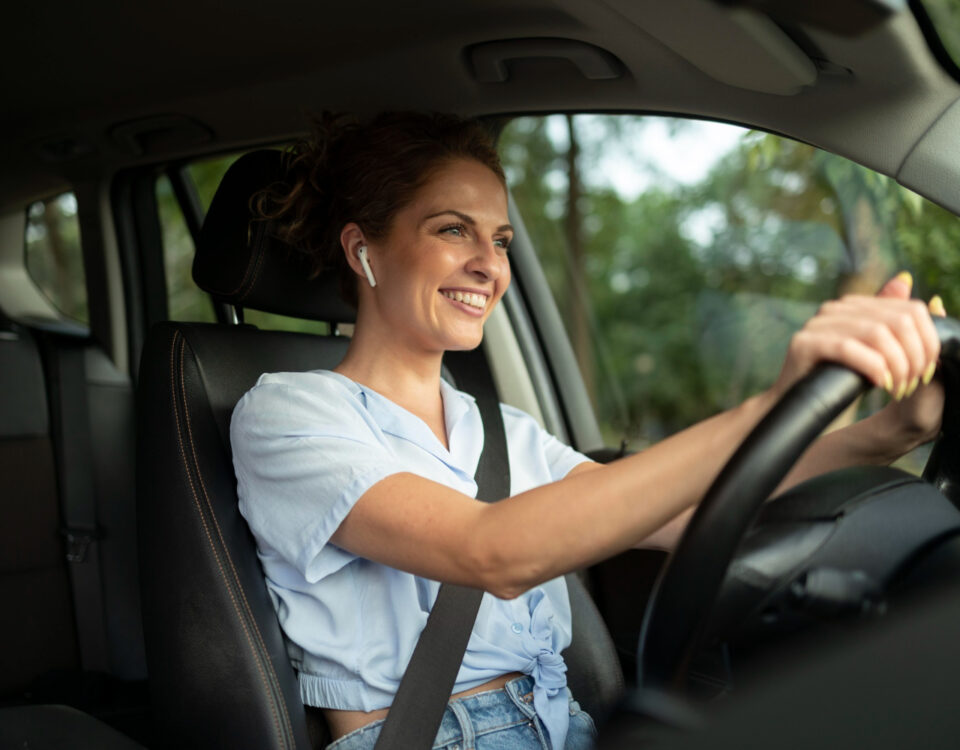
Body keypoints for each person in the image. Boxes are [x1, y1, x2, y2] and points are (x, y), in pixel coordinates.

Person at [230, 112, 945, 750]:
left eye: (501, 238)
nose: (490, 264)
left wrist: (882, 436)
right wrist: (767, 404)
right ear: (363, 250)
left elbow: (685, 514)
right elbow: (491, 551)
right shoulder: (288, 414)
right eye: (453, 229)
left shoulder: (502, 430)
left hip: (565, 725)